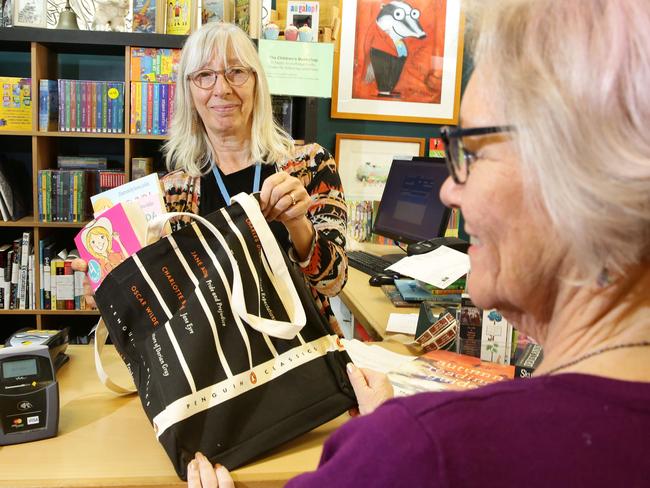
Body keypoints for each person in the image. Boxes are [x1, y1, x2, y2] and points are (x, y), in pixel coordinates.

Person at [187, 0, 650, 486]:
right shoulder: (414, 446)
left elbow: (332, 277)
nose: (449, 188)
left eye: (471, 152)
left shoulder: (419, 449)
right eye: (205, 77)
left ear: (575, 174)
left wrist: (388, 450)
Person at [72, 22, 348, 335]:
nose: (222, 88)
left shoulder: (310, 165)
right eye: (205, 75)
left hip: (304, 357)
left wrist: (299, 225)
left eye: (236, 71)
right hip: (214, 370)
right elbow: (163, 306)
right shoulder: (170, 193)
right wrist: (112, 292)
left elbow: (334, 282)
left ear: (257, 83)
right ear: (189, 91)